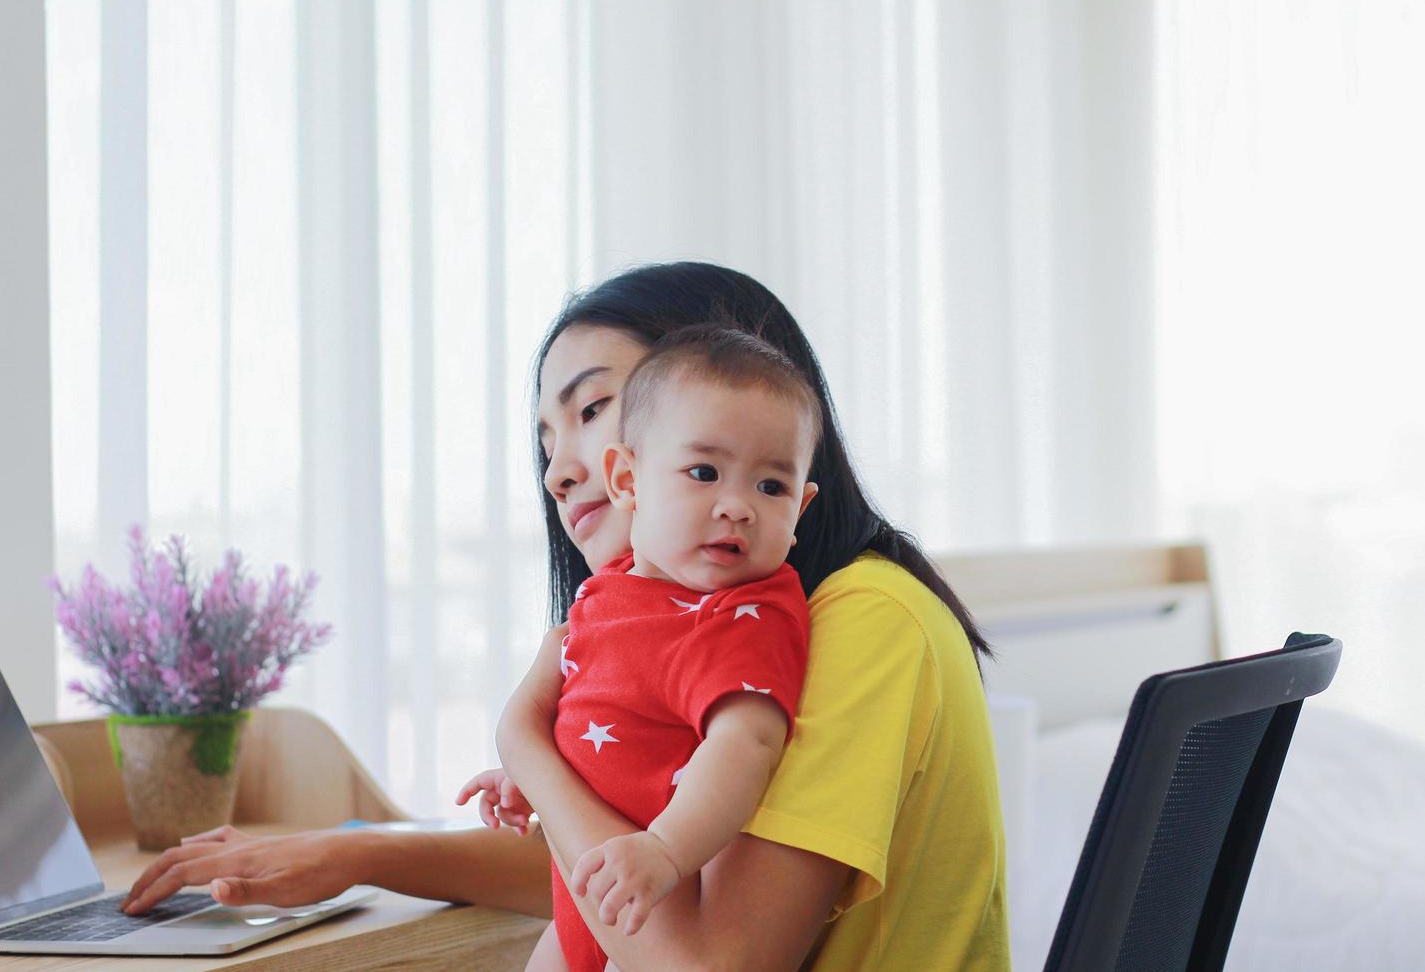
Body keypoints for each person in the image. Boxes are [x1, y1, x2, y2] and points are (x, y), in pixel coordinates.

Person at [122, 262, 1011, 970]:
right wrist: (357, 855)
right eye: (546, 441)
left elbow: (701, 960)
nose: (558, 472)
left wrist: (525, 740)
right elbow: (616, 878)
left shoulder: (865, 621)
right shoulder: (739, 621)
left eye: (590, 409)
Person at [463, 327, 823, 969]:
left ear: (802, 508)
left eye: (772, 487)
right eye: (705, 473)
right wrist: (531, 775)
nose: (737, 506)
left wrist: (667, 849)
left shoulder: (748, 610)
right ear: (628, 478)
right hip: (586, 909)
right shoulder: (609, 591)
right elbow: (601, 715)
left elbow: (747, 745)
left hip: (654, 900)